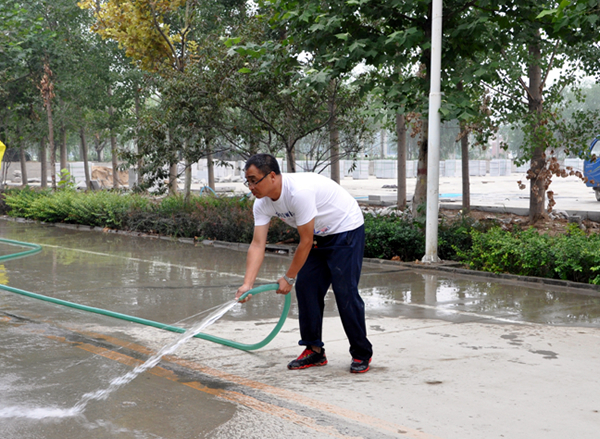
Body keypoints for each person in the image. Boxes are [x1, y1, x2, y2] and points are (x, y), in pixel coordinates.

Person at [236, 153, 373, 373]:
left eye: (254, 180)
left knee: (344, 291)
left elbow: (305, 241)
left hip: (345, 228)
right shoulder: (261, 203)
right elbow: (257, 244)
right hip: (319, 233)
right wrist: (247, 284)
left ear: (272, 176)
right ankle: (314, 350)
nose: (251, 186)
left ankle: (361, 353)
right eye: (248, 181)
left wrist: (288, 277)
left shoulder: (298, 193)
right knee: (307, 287)